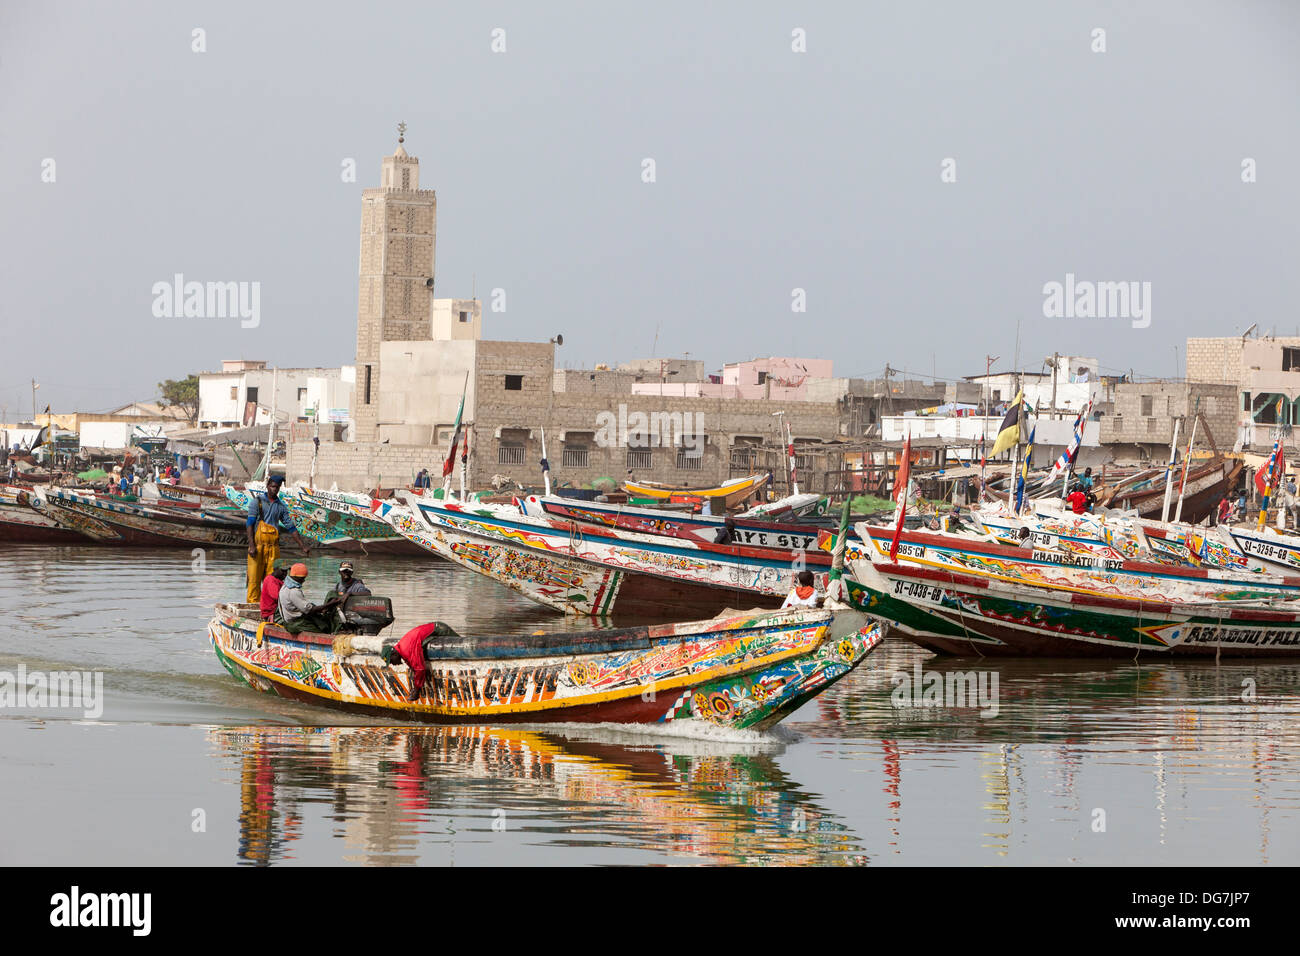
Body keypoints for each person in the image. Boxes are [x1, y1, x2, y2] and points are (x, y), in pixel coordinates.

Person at [245, 475, 305, 603]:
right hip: (258, 546)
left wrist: (302, 545)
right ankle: (253, 605)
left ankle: (270, 607)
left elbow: (291, 527)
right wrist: (251, 545)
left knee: (272, 580)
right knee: (254, 579)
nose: (274, 490)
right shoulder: (257, 502)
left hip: (273, 548)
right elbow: (249, 524)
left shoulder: (281, 506)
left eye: (277, 488)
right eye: (272, 487)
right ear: (267, 486)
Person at [276, 564, 342, 634]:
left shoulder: (285, 586)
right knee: (321, 632)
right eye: (302, 578)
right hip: (296, 623)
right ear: (296, 577)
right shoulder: (293, 591)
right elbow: (310, 610)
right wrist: (330, 604)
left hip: (289, 620)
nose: (303, 580)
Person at [386, 621, 443, 701]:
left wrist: (417, 690)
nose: (393, 664)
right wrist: (416, 685)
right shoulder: (401, 650)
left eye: (391, 661)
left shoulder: (405, 650)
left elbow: (419, 669)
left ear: (394, 654)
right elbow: (414, 667)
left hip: (437, 629)